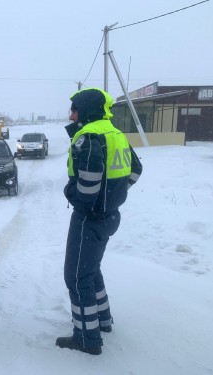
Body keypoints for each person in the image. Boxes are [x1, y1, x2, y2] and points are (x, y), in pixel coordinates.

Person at [56, 88, 143, 355]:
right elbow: (136, 170)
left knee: (76, 277)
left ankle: (86, 338)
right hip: (108, 216)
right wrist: (115, 193)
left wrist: (69, 192)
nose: (71, 115)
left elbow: (86, 191)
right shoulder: (115, 133)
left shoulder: (90, 136)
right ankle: (103, 321)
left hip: (88, 219)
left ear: (84, 110)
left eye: (74, 109)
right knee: (91, 271)